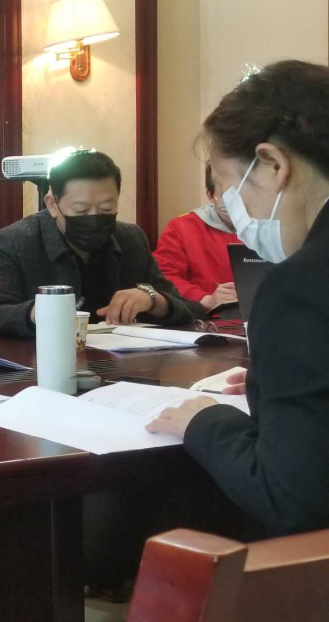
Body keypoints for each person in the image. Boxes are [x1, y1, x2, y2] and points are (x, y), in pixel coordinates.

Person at [148, 60, 329, 536]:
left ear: (272, 164)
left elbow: (291, 497)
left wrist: (207, 422)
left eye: (232, 194)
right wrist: (281, 382)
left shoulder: (300, 285)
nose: (238, 217)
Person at [0, 149, 202, 337]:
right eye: (81, 210)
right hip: (41, 363)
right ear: (52, 205)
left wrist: (153, 300)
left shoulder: (131, 239)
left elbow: (191, 310)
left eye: (107, 208)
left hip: (122, 364)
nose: (94, 217)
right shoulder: (12, 243)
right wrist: (36, 312)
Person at [152, 162, 242, 311]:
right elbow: (163, 275)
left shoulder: (271, 228)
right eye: (228, 197)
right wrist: (205, 299)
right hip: (205, 316)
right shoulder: (182, 228)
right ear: (210, 195)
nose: (238, 204)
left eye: (243, 196)